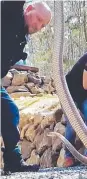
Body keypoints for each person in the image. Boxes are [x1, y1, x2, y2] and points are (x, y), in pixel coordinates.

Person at [1, 1, 51, 174]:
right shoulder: (11, 11)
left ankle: (13, 162)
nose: (39, 26)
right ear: (28, 9)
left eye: (43, 25)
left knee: (9, 111)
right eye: (38, 19)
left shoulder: (22, 36)